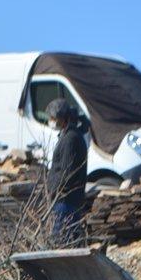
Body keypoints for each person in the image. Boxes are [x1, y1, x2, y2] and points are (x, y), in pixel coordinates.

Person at [45, 98, 88, 243]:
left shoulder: (71, 139)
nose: (51, 121)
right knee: (66, 240)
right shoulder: (69, 136)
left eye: (53, 118)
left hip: (66, 201)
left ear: (63, 119)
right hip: (66, 200)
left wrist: (54, 191)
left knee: (62, 241)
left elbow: (67, 172)